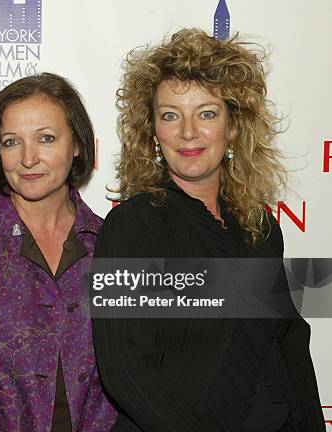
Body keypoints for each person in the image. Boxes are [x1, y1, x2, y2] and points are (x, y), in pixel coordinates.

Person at [92, 29, 325, 431]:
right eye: (170, 115)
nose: (187, 132)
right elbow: (126, 369)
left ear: (233, 127)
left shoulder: (260, 226)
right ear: (152, 133)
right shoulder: (133, 223)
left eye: (206, 113)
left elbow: (287, 344)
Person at [0, 73, 116, 431]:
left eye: (46, 138)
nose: (29, 158)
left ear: (76, 144)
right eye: (12, 142)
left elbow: (124, 370)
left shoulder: (108, 242)